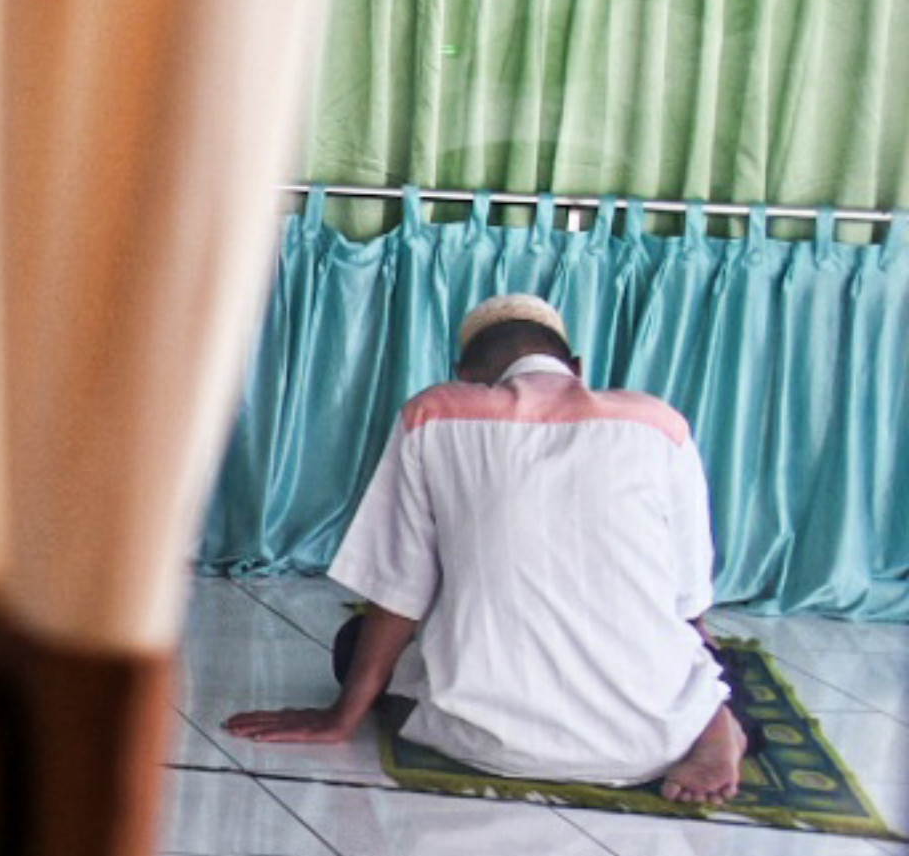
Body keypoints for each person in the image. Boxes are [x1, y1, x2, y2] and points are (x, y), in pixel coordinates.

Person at [224, 291, 748, 805]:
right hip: (654, 739)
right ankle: (717, 726)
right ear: (577, 366)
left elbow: (399, 593)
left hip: (484, 738)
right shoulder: (660, 423)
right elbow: (689, 604)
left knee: (354, 643)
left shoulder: (434, 414)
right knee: (713, 666)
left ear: (466, 374)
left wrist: (340, 719)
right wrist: (704, 681)